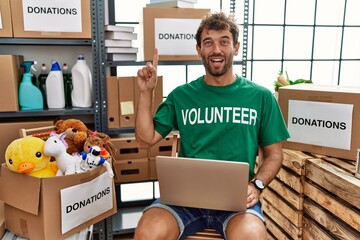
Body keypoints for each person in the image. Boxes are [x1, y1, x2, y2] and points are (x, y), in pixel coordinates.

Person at [134, 11, 290, 240]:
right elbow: (145, 139)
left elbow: (274, 155)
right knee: (147, 233)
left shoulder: (262, 97)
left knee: (253, 236)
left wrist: (256, 185)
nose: (216, 50)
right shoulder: (181, 96)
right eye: (208, 42)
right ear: (199, 50)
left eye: (224, 42)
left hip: (236, 204)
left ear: (236, 48)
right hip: (183, 202)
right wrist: (146, 93)